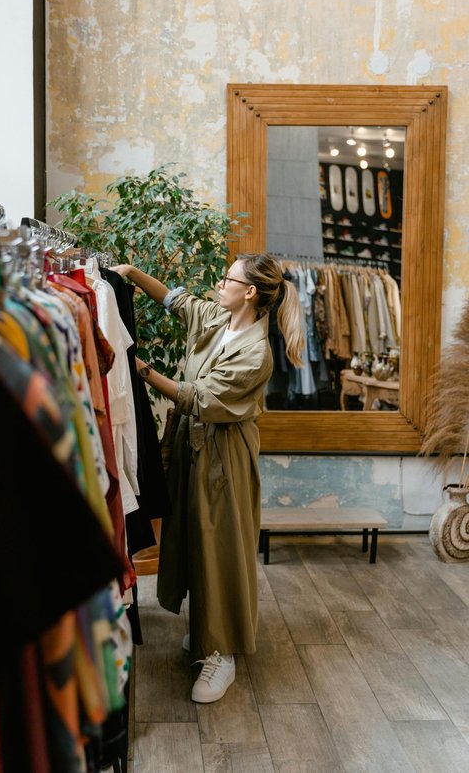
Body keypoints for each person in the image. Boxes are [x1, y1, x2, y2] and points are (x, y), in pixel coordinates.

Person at [112, 253, 304, 703]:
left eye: (227, 278)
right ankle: (206, 629)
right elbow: (179, 303)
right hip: (191, 445)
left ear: (250, 292)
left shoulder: (256, 353)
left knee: (221, 548)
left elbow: (199, 398)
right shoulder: (221, 317)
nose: (220, 283)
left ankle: (224, 650)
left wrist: (138, 369)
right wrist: (132, 274)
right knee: (195, 537)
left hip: (225, 456)